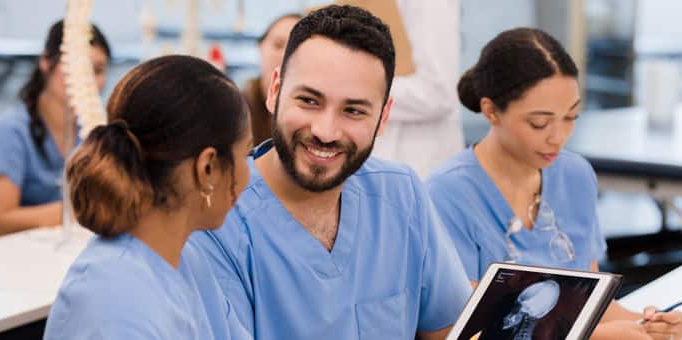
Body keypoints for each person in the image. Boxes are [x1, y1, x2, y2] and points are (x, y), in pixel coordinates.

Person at [189, 5, 471, 339]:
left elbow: (451, 330)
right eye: (309, 101)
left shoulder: (401, 196)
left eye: (353, 110)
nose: (326, 130)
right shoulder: (214, 223)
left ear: (383, 117)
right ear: (275, 91)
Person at [426, 28, 682, 340]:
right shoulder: (447, 195)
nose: (558, 137)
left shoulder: (575, 175)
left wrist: (648, 324)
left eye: (571, 117)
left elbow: (590, 303)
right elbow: (461, 331)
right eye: (539, 123)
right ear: (491, 111)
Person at [43, 55, 252, 340]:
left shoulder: (188, 261)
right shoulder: (114, 300)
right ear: (208, 168)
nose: (249, 174)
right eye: (244, 155)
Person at [0, 20, 110, 236]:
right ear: (47, 62)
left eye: (97, 70)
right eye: (75, 66)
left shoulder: (96, 132)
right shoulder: (10, 130)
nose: (86, 79)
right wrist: (76, 213)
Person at [370, 0, 464, 178]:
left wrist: (360, 88)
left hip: (417, 163)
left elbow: (438, 93)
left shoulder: (429, 4)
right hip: (382, 161)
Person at [244, 13, 302, 146]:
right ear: (260, 47)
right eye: (278, 45)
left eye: (296, 47)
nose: (285, 55)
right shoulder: (236, 107)